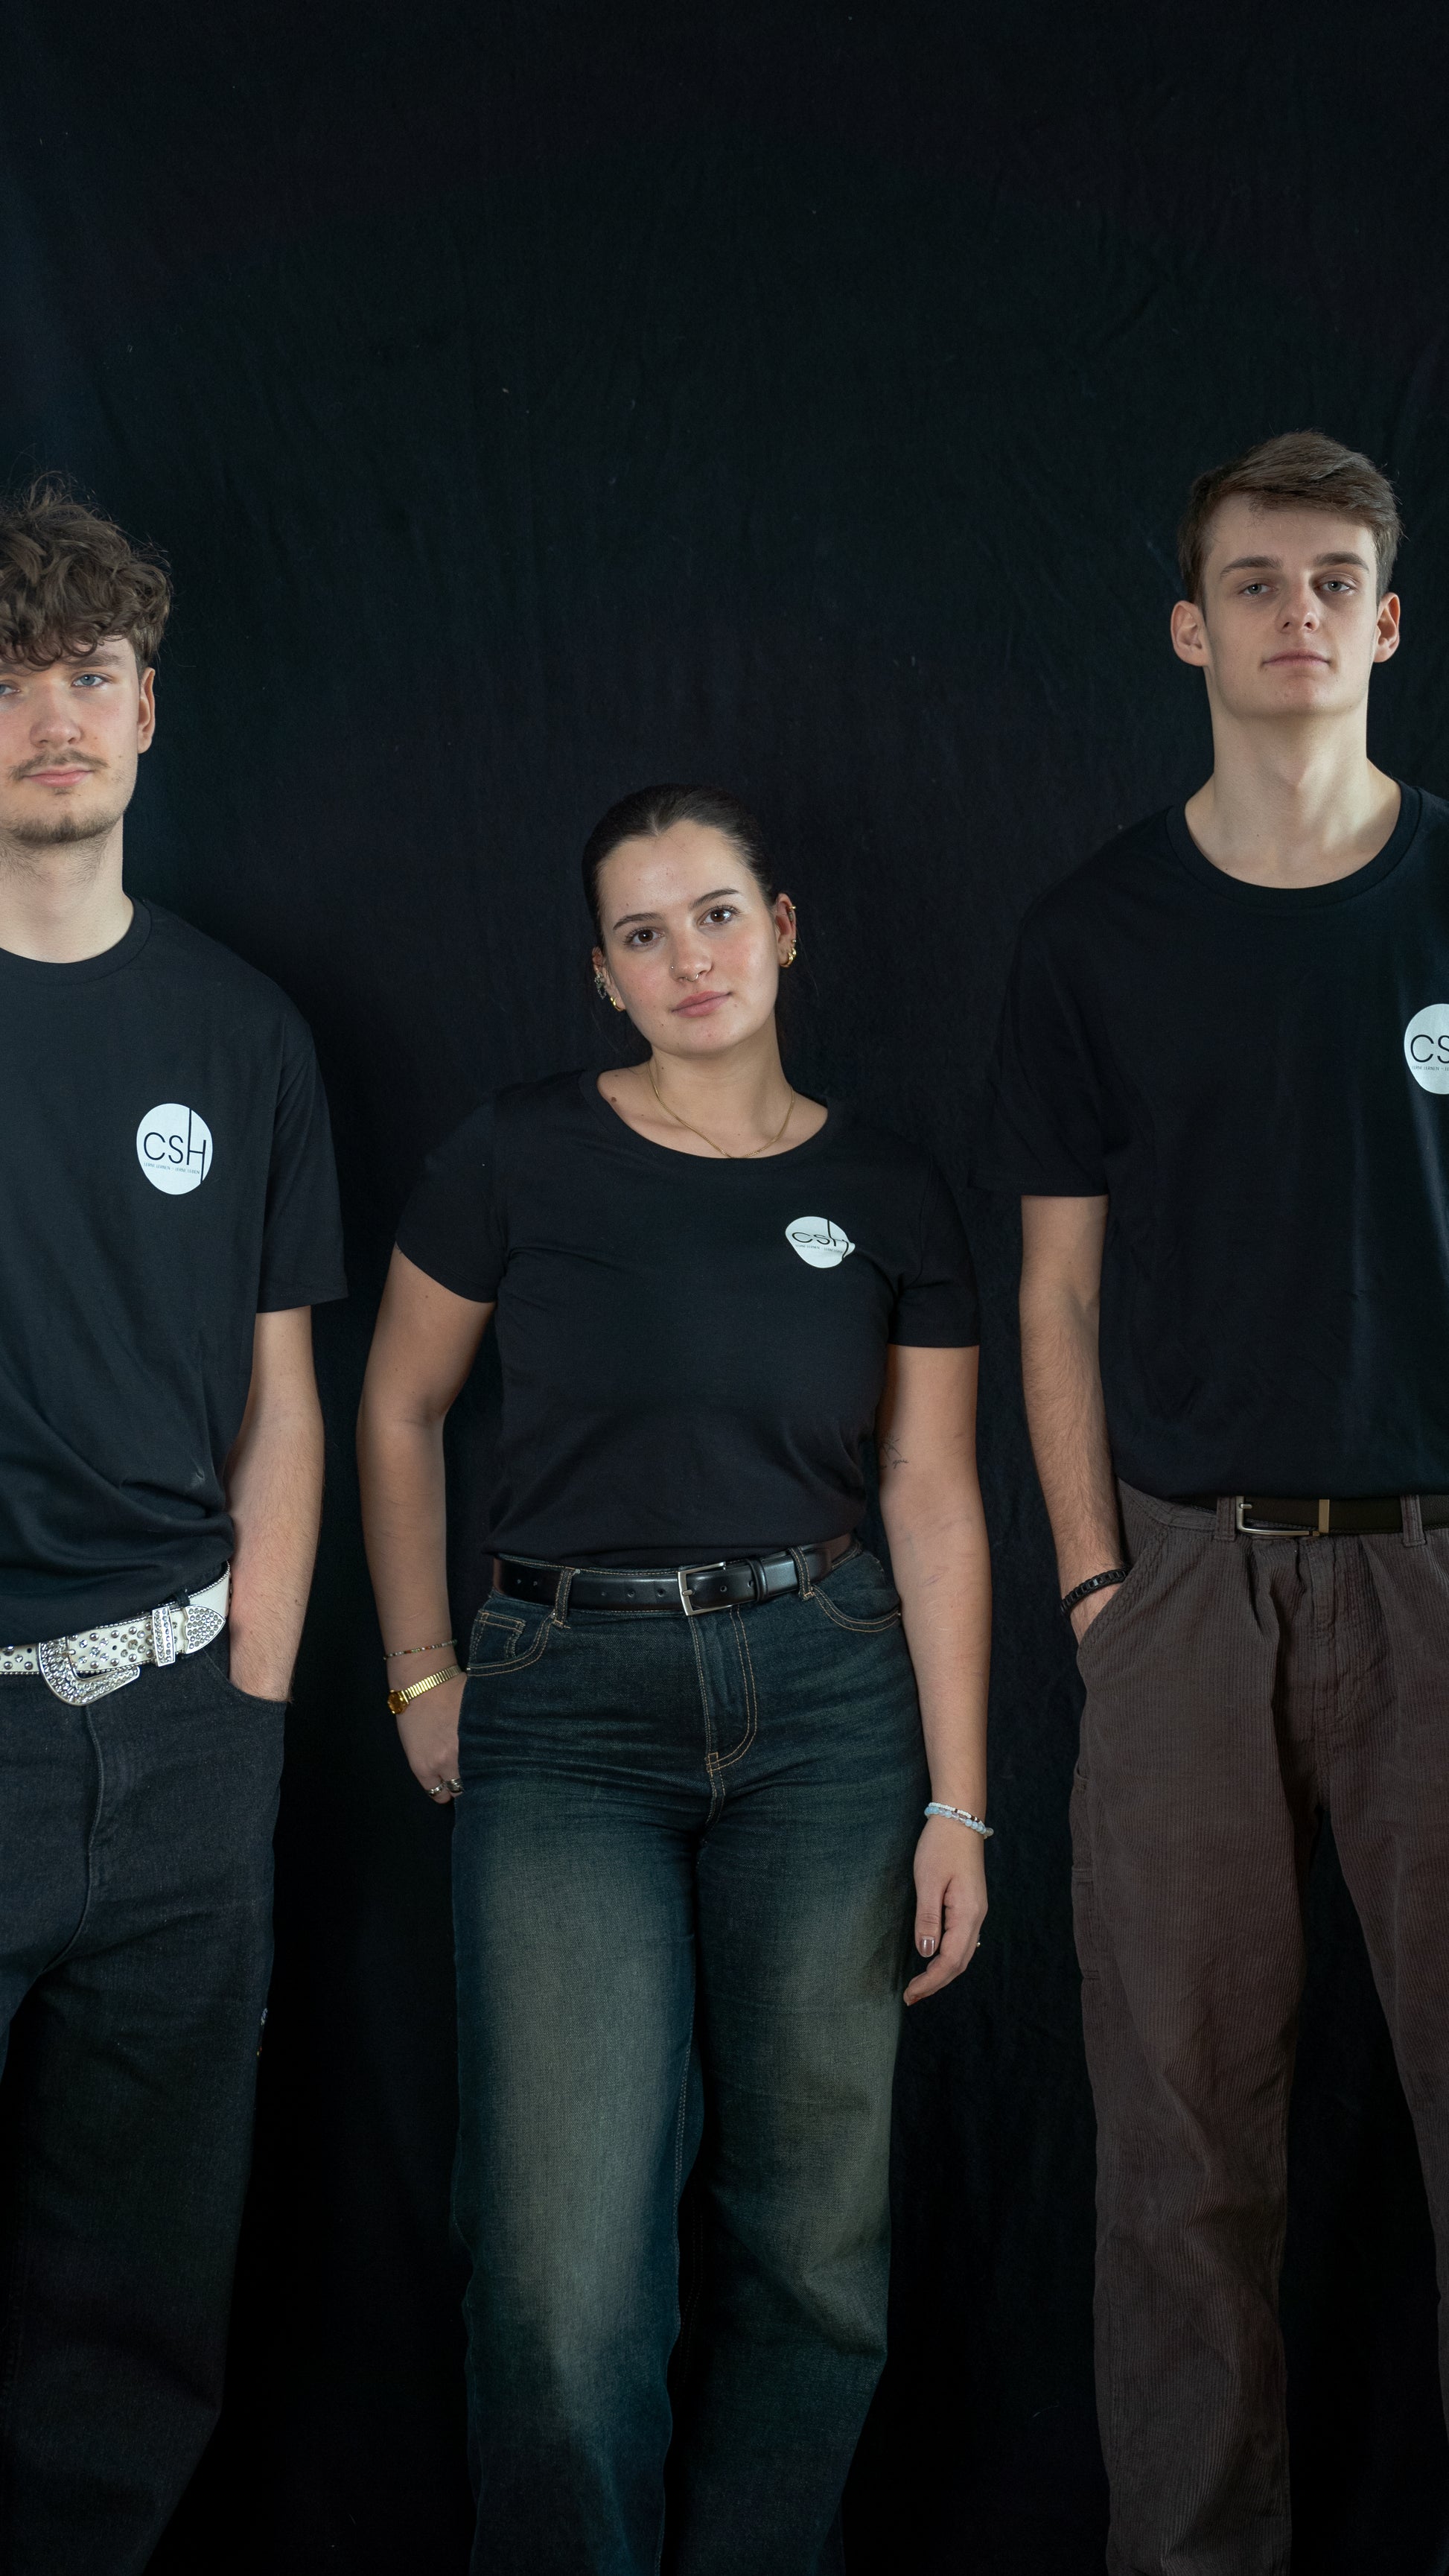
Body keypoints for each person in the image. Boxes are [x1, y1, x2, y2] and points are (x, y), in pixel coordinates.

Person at [357, 781, 990, 2575]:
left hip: (830, 1707)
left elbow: (931, 1488)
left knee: (814, 2251)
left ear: (782, 928)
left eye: (716, 914)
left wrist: (961, 1796)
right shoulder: (515, 1153)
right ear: (603, 974)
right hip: (564, 1706)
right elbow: (398, 1404)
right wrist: (418, 1670)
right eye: (643, 933)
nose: (688, 957)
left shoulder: (887, 1184)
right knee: (562, 2276)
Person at [976, 429, 1449, 2574]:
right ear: (1188, 629)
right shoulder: (1094, 933)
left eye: (1333, 578)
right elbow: (1052, 1294)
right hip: (1180, 1579)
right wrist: (1095, 1581)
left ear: (1388, 619)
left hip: (1436, 1572)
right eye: (1253, 582)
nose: (1295, 614)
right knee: (1176, 2155)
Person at [0, 482, 346, 2575]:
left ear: (148, 714)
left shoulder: (242, 1030)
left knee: (129, 2311)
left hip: (182, 1729)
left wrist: (250, 1704)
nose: (57, 710)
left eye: (94, 671)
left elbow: (286, 1399)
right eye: (16, 673)